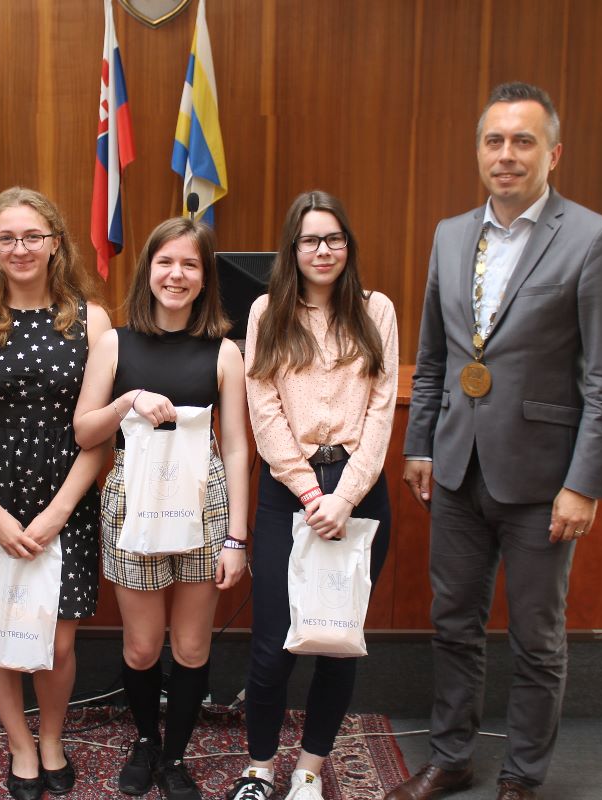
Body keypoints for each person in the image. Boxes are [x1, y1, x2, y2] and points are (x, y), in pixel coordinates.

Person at [387, 83, 602, 800]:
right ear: (478, 152)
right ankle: (451, 757)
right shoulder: (450, 234)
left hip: (543, 482)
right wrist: (420, 445)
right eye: (494, 140)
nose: (506, 154)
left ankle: (523, 777)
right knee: (453, 625)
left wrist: (585, 485)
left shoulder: (594, 239)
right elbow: (434, 358)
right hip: (457, 471)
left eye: (523, 141)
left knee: (537, 638)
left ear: (552, 154)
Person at [0, 187, 110, 800]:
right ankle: (20, 743)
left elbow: (99, 432)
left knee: (58, 637)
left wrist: (60, 511)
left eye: (33, 236)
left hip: (67, 497)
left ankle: (53, 738)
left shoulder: (91, 320)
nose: (20, 248)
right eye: (6, 238)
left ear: (56, 243)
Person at [225, 191, 397, 800]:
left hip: (359, 494)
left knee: (337, 642)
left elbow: (381, 412)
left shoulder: (376, 310)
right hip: (286, 493)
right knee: (273, 646)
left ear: (348, 245)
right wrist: (307, 489)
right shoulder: (266, 311)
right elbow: (263, 408)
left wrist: (344, 498)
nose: (323, 250)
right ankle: (260, 768)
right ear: (292, 249)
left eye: (333, 238)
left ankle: (308, 773)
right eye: (309, 240)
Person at [74, 217, 250, 800]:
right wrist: (128, 399)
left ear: (205, 278)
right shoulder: (114, 344)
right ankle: (147, 741)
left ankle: (175, 757)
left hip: (204, 505)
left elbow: (237, 447)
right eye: (166, 262)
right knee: (143, 646)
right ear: (148, 270)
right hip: (133, 502)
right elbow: (84, 431)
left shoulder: (225, 353)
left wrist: (237, 538)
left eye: (190, 264)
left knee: (193, 647)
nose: (176, 275)